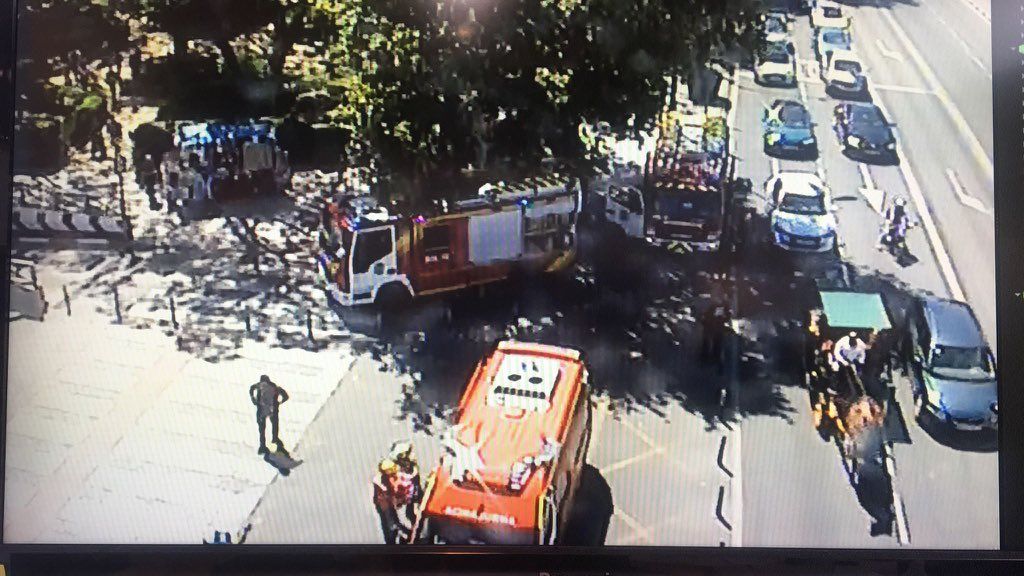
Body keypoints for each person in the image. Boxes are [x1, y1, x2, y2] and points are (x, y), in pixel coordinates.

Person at [248, 375, 289, 455]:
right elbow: (285, 396)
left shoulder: (259, 386)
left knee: (262, 429)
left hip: (262, 411)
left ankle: (263, 446)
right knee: (274, 427)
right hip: (272, 410)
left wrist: (253, 398)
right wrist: (279, 403)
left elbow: (252, 388)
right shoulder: (275, 387)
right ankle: (276, 442)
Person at [373, 459, 405, 545]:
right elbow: (384, 490)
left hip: (387, 502)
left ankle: (393, 537)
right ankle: (391, 540)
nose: (391, 471)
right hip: (383, 504)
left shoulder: (387, 477)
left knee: (391, 520)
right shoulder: (379, 479)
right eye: (389, 470)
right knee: (388, 521)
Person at [389, 441, 422, 524]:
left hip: (412, 489)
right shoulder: (400, 468)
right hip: (409, 491)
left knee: (411, 510)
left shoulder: (411, 464)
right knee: (410, 511)